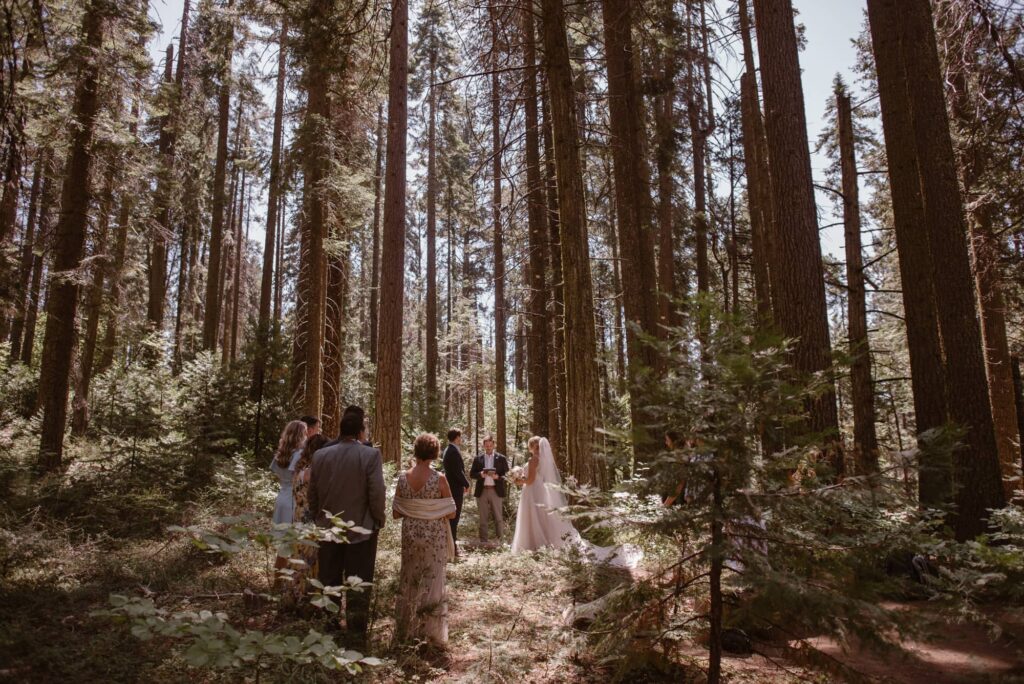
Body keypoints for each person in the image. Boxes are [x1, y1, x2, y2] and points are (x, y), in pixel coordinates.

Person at [307, 406, 386, 645]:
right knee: (358, 582)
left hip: (328, 527)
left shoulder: (320, 455)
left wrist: (318, 517)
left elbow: (313, 492)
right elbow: (377, 492)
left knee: (329, 578)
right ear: (360, 431)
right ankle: (356, 633)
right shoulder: (370, 455)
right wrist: (378, 518)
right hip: (361, 530)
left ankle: (330, 628)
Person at [511, 436, 640, 568]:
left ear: (531, 447)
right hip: (541, 491)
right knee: (540, 517)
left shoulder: (533, 460)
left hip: (532, 492)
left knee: (533, 516)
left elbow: (530, 480)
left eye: (530, 446)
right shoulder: (544, 460)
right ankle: (541, 544)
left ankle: (533, 545)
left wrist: (518, 481)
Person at [393, 433, 457, 647]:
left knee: (410, 578)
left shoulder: (403, 477)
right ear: (434, 452)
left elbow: (395, 512)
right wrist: (432, 511)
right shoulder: (439, 478)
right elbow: (451, 513)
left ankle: (407, 631)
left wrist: (416, 509)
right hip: (434, 536)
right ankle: (432, 634)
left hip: (410, 534)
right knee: (433, 578)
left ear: (416, 450)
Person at [288, 433, 328, 599]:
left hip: (297, 519)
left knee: (298, 558)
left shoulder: (300, 470)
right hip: (308, 521)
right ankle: (307, 598)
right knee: (310, 560)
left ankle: (295, 595)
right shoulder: (312, 473)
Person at [469, 435, 509, 544]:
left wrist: (498, 477)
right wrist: (480, 475)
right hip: (482, 491)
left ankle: (500, 541)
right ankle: (483, 542)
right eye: (486, 446)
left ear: (494, 445)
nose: (489, 448)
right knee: (483, 519)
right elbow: (472, 474)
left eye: (490, 445)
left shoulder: (501, 458)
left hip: (496, 491)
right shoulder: (478, 459)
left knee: (498, 518)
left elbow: (507, 476)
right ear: (483, 446)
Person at [272, 420, 307, 525]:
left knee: (279, 535)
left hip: (281, 498)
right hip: (294, 501)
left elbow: (279, 477)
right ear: (300, 435)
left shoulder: (281, 453)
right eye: (305, 433)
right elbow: (300, 479)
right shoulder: (300, 454)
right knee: (291, 536)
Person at [440, 429, 470, 551]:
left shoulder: (449, 450)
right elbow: (458, 471)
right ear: (457, 437)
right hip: (454, 489)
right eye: (460, 437)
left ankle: (451, 545)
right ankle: (452, 546)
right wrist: (466, 483)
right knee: (454, 516)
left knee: (453, 516)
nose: (461, 439)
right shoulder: (452, 451)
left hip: (453, 487)